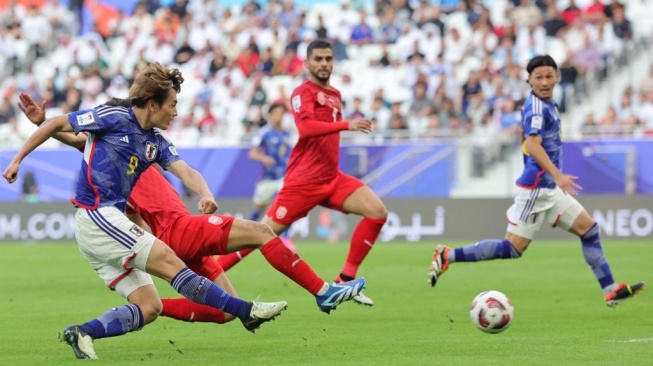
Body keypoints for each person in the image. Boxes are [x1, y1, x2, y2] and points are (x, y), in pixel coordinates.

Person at [3, 64, 291, 360]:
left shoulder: (155, 142)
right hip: (97, 214)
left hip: (104, 228)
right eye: (173, 105)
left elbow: (186, 170)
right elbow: (58, 124)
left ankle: (83, 331)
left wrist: (205, 193)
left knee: (150, 306)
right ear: (153, 104)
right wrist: (17, 160)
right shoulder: (113, 117)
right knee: (169, 259)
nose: (176, 112)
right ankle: (245, 311)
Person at [17, 93, 366, 327]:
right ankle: (323, 291)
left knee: (224, 309)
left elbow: (177, 172)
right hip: (180, 229)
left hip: (177, 235)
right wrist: (43, 126)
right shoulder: (117, 171)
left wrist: (202, 193)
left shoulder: (142, 154)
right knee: (262, 232)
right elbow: (83, 140)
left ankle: (156, 308)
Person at [428, 55, 644, 307]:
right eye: (538, 77)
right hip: (537, 189)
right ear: (528, 79)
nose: (544, 81)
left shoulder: (547, 103)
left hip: (549, 188)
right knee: (513, 248)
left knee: (589, 229)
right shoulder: (538, 108)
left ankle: (609, 289)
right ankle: (448, 255)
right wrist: (557, 175)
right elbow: (532, 143)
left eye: (549, 76)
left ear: (557, 77)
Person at [224, 40, 388, 306]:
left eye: (328, 59)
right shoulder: (303, 92)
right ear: (308, 63)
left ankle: (346, 279)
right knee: (260, 234)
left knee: (377, 211)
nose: (324, 64)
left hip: (332, 178)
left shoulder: (335, 93)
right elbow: (307, 129)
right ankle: (210, 273)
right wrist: (347, 124)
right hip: (303, 182)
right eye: (318, 59)